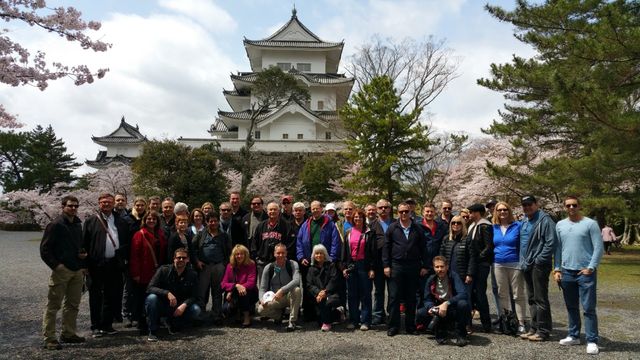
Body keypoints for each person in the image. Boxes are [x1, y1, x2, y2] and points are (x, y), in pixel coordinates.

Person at [554, 196, 604, 355]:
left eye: (574, 205)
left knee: (588, 308)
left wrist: (591, 267)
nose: (571, 208)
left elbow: (598, 247)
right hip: (567, 271)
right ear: (564, 207)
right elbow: (558, 249)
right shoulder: (560, 225)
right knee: (571, 306)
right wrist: (557, 268)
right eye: (568, 205)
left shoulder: (590, 224)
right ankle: (574, 335)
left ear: (579, 206)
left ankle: (591, 340)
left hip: (585, 272)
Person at [40, 195, 87, 350]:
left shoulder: (78, 224)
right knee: (53, 305)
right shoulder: (55, 225)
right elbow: (45, 249)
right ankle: (49, 338)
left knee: (73, 304)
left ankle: (68, 333)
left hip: (77, 270)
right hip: (62, 270)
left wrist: (82, 258)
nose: (73, 208)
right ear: (63, 206)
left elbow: (78, 245)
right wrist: (56, 266)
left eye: (76, 206)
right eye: (70, 206)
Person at [83, 193, 130, 338]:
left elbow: (126, 242)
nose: (106, 204)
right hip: (96, 264)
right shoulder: (91, 221)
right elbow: (84, 244)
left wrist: (122, 258)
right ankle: (95, 326)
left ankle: (107, 324)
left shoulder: (121, 220)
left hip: (114, 264)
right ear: (99, 203)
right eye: (103, 202)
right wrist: (85, 265)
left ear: (113, 203)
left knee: (112, 294)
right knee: (96, 295)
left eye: (109, 202)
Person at [383, 202, 428, 336]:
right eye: (401, 211)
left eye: (406, 211)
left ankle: (410, 326)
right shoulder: (392, 228)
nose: (403, 214)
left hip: (413, 266)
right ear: (398, 213)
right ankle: (393, 326)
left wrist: (425, 265)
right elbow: (386, 248)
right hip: (396, 265)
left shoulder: (418, 228)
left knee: (411, 298)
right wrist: (386, 265)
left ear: (410, 212)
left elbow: (424, 248)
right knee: (394, 297)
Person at [519, 195, 557, 342]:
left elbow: (551, 242)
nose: (527, 207)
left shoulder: (545, 220)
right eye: (524, 205)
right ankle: (534, 328)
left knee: (540, 298)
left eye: (529, 204)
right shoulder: (524, 220)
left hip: (538, 264)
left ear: (536, 204)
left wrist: (540, 259)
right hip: (526, 264)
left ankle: (543, 330)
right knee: (531, 297)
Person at [297, 201, 341, 322]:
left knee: (326, 285)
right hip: (310, 261)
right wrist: (301, 257)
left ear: (322, 209)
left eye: (317, 208)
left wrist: (331, 258)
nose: (315, 210)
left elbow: (335, 241)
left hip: (325, 261)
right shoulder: (306, 224)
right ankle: (310, 313)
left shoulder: (329, 223)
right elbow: (299, 242)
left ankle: (329, 312)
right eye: (313, 208)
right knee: (309, 287)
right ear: (310, 210)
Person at [145, 248, 201, 341]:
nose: (181, 260)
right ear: (174, 258)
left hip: (179, 306)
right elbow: (150, 288)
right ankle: (153, 331)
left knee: (196, 310)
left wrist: (184, 305)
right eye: (179, 257)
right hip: (163, 304)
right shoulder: (163, 270)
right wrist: (167, 293)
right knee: (151, 298)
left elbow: (195, 296)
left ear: (188, 260)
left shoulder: (192, 275)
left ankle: (175, 323)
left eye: (184, 258)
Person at [129, 210, 167, 334]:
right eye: (149, 219)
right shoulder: (139, 234)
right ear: (144, 221)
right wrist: (136, 273)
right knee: (141, 298)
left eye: (154, 219)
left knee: (154, 298)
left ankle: (154, 321)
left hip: (157, 272)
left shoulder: (160, 233)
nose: (151, 221)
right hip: (143, 271)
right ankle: (142, 323)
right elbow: (134, 256)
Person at [492, 202, 527, 334]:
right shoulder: (494, 227)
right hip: (498, 263)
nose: (502, 212)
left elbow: (522, 244)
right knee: (502, 294)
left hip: (515, 263)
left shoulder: (517, 225)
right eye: (499, 210)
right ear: (496, 212)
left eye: (505, 209)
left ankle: (521, 322)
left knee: (518, 294)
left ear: (509, 211)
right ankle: (507, 321)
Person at [422, 256, 470, 347]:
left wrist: (447, 303)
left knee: (463, 304)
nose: (440, 269)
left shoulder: (454, 276)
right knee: (421, 313)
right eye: (437, 267)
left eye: (442, 266)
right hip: (438, 307)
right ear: (433, 268)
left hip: (452, 307)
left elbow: (463, 294)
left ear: (447, 267)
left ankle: (461, 335)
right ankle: (440, 330)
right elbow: (427, 299)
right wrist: (431, 307)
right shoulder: (431, 279)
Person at [194, 212, 231, 324]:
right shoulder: (201, 234)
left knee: (217, 292)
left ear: (218, 222)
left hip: (219, 266)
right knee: (201, 291)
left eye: (215, 221)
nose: (213, 223)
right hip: (204, 267)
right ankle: (200, 315)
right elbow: (193, 249)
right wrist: (197, 261)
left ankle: (216, 315)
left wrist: (225, 264)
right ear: (207, 222)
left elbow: (229, 251)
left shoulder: (224, 236)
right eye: (211, 221)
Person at [438, 215, 473, 333]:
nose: (456, 225)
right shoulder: (446, 238)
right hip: (449, 276)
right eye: (453, 223)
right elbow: (441, 256)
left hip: (463, 275)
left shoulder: (467, 239)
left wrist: (470, 274)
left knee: (464, 301)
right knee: (450, 299)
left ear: (463, 225)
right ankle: (450, 324)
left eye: (458, 223)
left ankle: (466, 324)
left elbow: (472, 258)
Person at [342, 209, 376, 331]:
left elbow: (373, 252)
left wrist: (372, 268)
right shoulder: (348, 232)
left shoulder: (369, 233)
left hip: (364, 266)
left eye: (360, 217)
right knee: (352, 295)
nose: (358, 219)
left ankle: (365, 321)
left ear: (364, 218)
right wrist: (344, 267)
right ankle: (353, 320)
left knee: (366, 294)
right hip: (351, 265)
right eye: (355, 217)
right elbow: (345, 251)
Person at [258, 243, 303, 331]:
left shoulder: (293, 264)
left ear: (286, 253)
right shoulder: (269, 267)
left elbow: (297, 280)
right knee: (261, 310)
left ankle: (292, 321)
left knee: (297, 290)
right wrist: (261, 299)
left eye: (283, 253)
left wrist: (282, 290)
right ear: (274, 254)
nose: (281, 255)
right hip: (276, 298)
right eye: (278, 253)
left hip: (290, 295)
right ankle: (279, 315)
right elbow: (262, 288)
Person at [466, 203, 494, 333]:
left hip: (481, 264)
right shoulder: (472, 225)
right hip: (473, 263)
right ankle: (468, 322)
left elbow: (488, 247)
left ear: (478, 212)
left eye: (471, 212)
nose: (469, 214)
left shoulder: (485, 225)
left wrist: (477, 259)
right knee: (471, 293)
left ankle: (486, 323)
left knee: (480, 293)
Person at [252, 202, 296, 283]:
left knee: (278, 283)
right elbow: (255, 243)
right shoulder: (261, 226)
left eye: (275, 209)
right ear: (267, 211)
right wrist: (257, 257)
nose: (272, 211)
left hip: (279, 262)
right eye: (270, 209)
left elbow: (291, 243)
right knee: (264, 285)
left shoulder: (286, 225)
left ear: (279, 211)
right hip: (263, 262)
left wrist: (285, 257)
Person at [306, 244, 344, 332]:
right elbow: (309, 285)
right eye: (316, 253)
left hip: (332, 294)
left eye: (321, 253)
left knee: (325, 306)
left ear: (325, 255)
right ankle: (338, 313)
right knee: (319, 320)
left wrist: (325, 292)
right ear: (313, 255)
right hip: (318, 296)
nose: (318, 255)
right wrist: (318, 292)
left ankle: (327, 323)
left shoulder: (331, 266)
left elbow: (334, 280)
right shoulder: (311, 269)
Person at [220, 245, 258, 327]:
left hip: (249, 293)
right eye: (237, 254)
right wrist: (235, 286)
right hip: (234, 292)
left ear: (245, 255)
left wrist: (237, 288)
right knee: (225, 309)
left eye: (241, 254)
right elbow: (223, 283)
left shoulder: (251, 264)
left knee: (243, 292)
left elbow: (251, 283)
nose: (239, 256)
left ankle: (246, 317)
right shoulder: (230, 266)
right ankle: (237, 313)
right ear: (233, 255)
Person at [371, 199, 393, 326]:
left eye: (386, 207)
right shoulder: (372, 225)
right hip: (378, 262)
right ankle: (378, 314)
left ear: (390, 209)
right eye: (381, 207)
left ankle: (392, 314)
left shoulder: (396, 223)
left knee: (392, 291)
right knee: (378, 290)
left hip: (393, 261)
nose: (383, 209)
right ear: (377, 210)